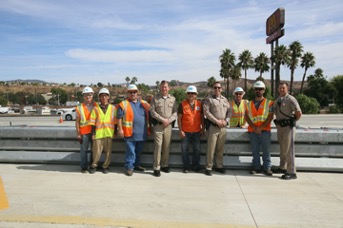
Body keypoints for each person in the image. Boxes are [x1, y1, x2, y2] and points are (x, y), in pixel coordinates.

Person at [117, 84, 151, 176]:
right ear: (127, 93)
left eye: (134, 92)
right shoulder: (123, 104)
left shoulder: (145, 104)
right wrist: (120, 129)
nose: (132, 94)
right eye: (130, 92)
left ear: (138, 93)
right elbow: (119, 118)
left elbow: (152, 114)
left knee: (138, 152)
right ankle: (129, 167)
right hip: (129, 134)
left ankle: (136, 165)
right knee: (130, 152)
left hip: (142, 133)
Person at [273, 82, 302, 180]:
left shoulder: (291, 99)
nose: (281, 89)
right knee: (282, 148)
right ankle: (283, 167)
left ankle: (292, 172)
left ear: (287, 89)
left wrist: (292, 121)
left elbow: (298, 113)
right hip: (280, 127)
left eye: (283, 88)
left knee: (289, 149)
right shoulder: (277, 100)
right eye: (280, 88)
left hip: (288, 127)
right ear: (278, 89)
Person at [245, 81, 274, 176]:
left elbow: (270, 117)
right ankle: (256, 167)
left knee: (266, 151)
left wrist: (261, 127)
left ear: (264, 90)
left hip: (265, 131)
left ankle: (267, 168)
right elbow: (247, 117)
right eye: (257, 89)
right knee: (255, 151)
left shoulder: (269, 103)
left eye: (260, 89)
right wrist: (254, 127)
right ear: (254, 90)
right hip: (253, 131)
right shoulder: (249, 104)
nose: (258, 91)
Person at [202, 82, 231, 176]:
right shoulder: (208, 99)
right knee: (211, 148)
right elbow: (206, 112)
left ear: (221, 89)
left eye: (219, 87)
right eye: (215, 87)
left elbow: (230, 111)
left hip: (223, 127)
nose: (217, 89)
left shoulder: (225, 100)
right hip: (213, 127)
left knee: (220, 148)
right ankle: (208, 167)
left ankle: (219, 166)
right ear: (213, 89)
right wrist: (216, 121)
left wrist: (226, 121)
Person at [150, 80, 177, 177]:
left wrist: (169, 121)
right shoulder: (155, 99)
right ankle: (156, 167)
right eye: (162, 87)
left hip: (168, 126)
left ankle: (165, 165)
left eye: (165, 87)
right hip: (158, 126)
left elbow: (175, 112)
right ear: (160, 88)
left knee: (166, 146)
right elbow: (152, 112)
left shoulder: (173, 99)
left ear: (168, 88)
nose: (164, 89)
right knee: (158, 146)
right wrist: (163, 120)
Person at [89, 88, 117, 174]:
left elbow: (115, 122)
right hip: (98, 134)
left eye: (106, 95)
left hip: (109, 133)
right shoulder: (95, 108)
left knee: (108, 152)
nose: (104, 97)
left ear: (108, 97)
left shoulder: (113, 108)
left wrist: (115, 132)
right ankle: (94, 166)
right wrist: (93, 134)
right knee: (96, 152)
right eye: (102, 96)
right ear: (100, 98)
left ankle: (106, 166)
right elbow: (92, 122)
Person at [177, 85, 205, 173]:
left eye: (193, 93)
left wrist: (203, 128)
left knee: (197, 150)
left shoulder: (200, 104)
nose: (191, 95)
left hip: (196, 131)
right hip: (186, 131)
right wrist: (180, 130)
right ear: (187, 94)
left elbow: (202, 117)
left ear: (196, 95)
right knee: (184, 150)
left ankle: (195, 166)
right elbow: (179, 118)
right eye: (189, 93)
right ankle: (186, 167)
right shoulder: (182, 104)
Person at [75, 86, 97, 173]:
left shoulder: (96, 106)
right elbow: (77, 122)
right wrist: (78, 133)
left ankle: (92, 166)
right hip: (84, 133)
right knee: (83, 150)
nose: (88, 97)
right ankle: (83, 167)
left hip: (94, 132)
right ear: (83, 96)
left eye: (90, 95)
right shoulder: (79, 107)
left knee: (93, 150)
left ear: (92, 95)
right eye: (86, 95)